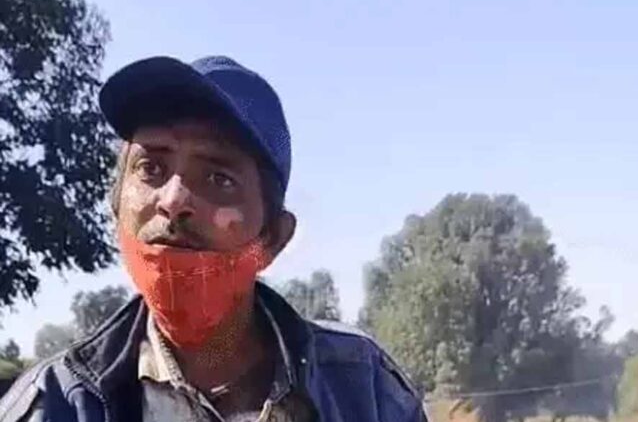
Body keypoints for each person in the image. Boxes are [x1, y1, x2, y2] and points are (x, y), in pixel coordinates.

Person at [0, 56, 427, 422]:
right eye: (151, 168)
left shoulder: (363, 389)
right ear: (116, 208)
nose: (173, 200)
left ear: (272, 238)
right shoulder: (55, 405)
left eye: (218, 178)